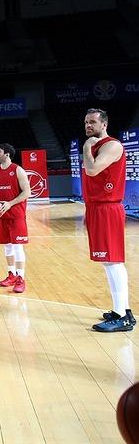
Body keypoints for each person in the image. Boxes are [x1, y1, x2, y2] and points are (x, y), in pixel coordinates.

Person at [81, 108, 134, 332]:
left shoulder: (112, 145)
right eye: (86, 122)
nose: (88, 126)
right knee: (107, 261)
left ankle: (121, 316)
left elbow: (92, 170)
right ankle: (123, 310)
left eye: (92, 122)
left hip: (108, 207)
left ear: (104, 124)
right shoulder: (94, 146)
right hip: (95, 207)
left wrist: (85, 148)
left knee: (113, 261)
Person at [0, 144, 31, 293]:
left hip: (16, 214)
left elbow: (27, 192)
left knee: (18, 246)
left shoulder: (18, 170)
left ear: (7, 155)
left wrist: (10, 203)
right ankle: (11, 274)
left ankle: (21, 278)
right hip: (0, 215)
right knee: (7, 246)